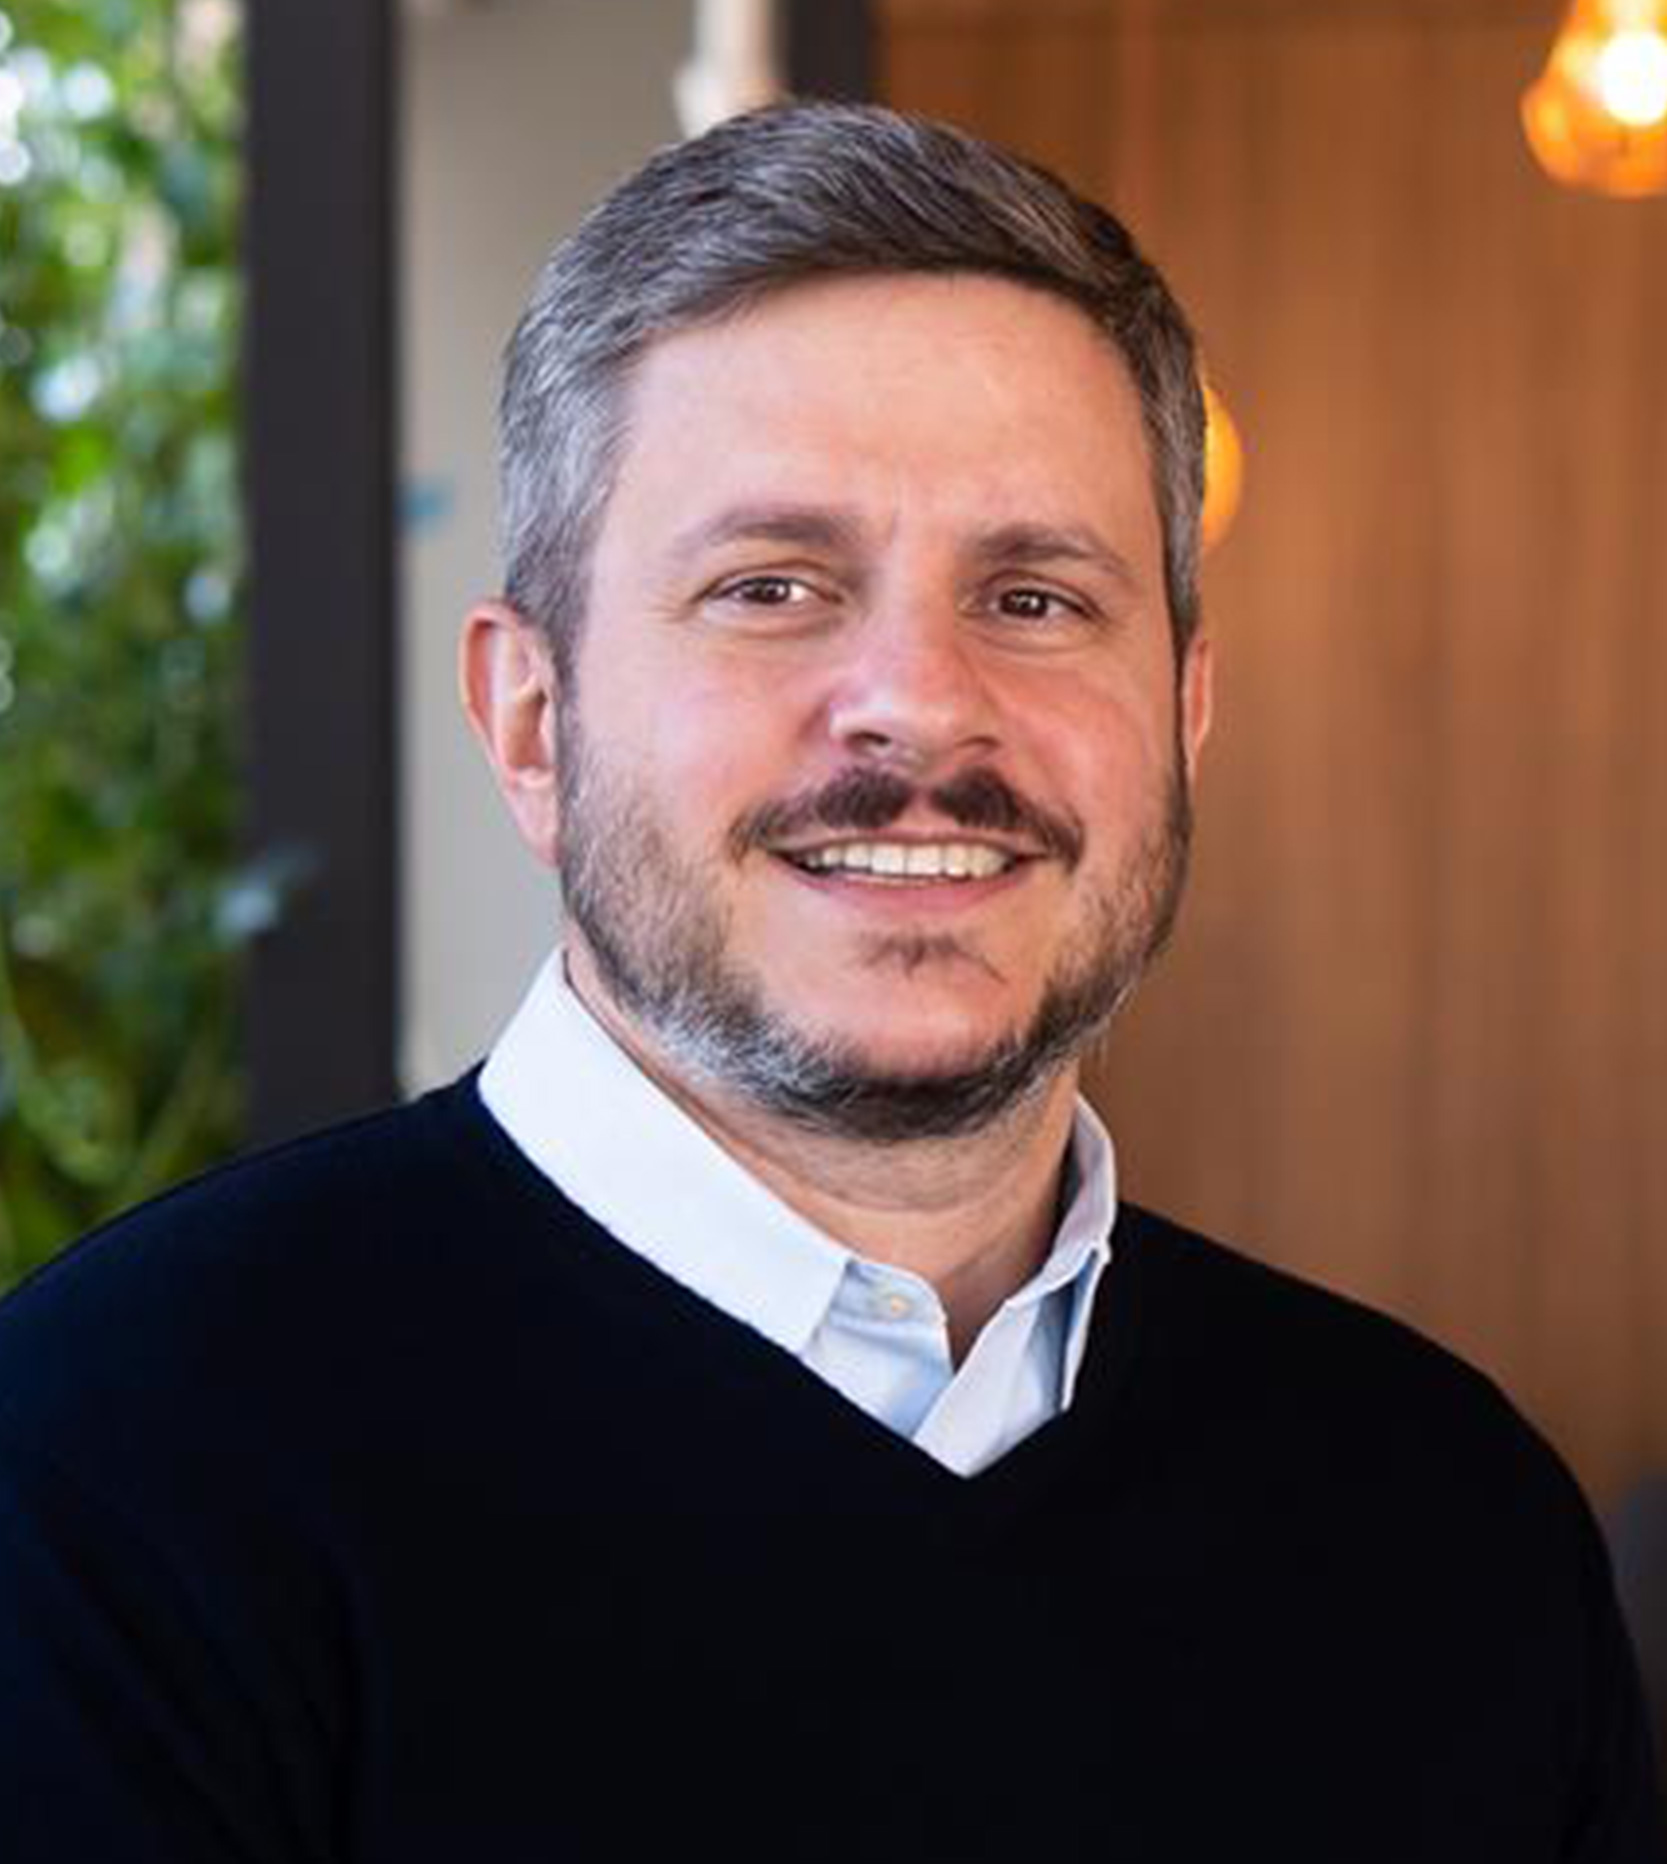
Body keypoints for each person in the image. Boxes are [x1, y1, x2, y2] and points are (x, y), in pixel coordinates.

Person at [0, 101, 1660, 1862]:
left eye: (1033, 598)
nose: (921, 704)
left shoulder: (1447, 1521)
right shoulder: (107, 1478)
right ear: (532, 720)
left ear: (1183, 712)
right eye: (774, 587)